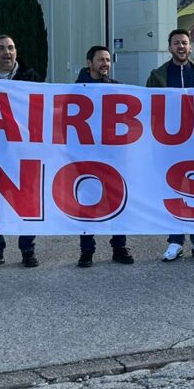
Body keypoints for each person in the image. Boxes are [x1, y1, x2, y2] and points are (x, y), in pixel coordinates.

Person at [148, 29, 194, 262]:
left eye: (185, 43)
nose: (181, 47)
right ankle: (175, 241)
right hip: (170, 145)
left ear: (191, 48)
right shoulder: (158, 75)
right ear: (169, 48)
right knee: (173, 190)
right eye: (176, 43)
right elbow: (150, 108)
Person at [0, 34, 43, 270]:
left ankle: (27, 250)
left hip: (24, 150)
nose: (7, 52)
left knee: (27, 201)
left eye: (11, 47)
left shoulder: (31, 77)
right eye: (1, 48)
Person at [74, 46, 134, 267]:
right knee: (87, 203)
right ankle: (87, 250)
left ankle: (119, 247)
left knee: (116, 202)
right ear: (89, 62)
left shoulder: (118, 89)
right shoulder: (74, 90)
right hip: (86, 157)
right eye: (101, 60)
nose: (105, 64)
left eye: (108, 60)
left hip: (113, 157)